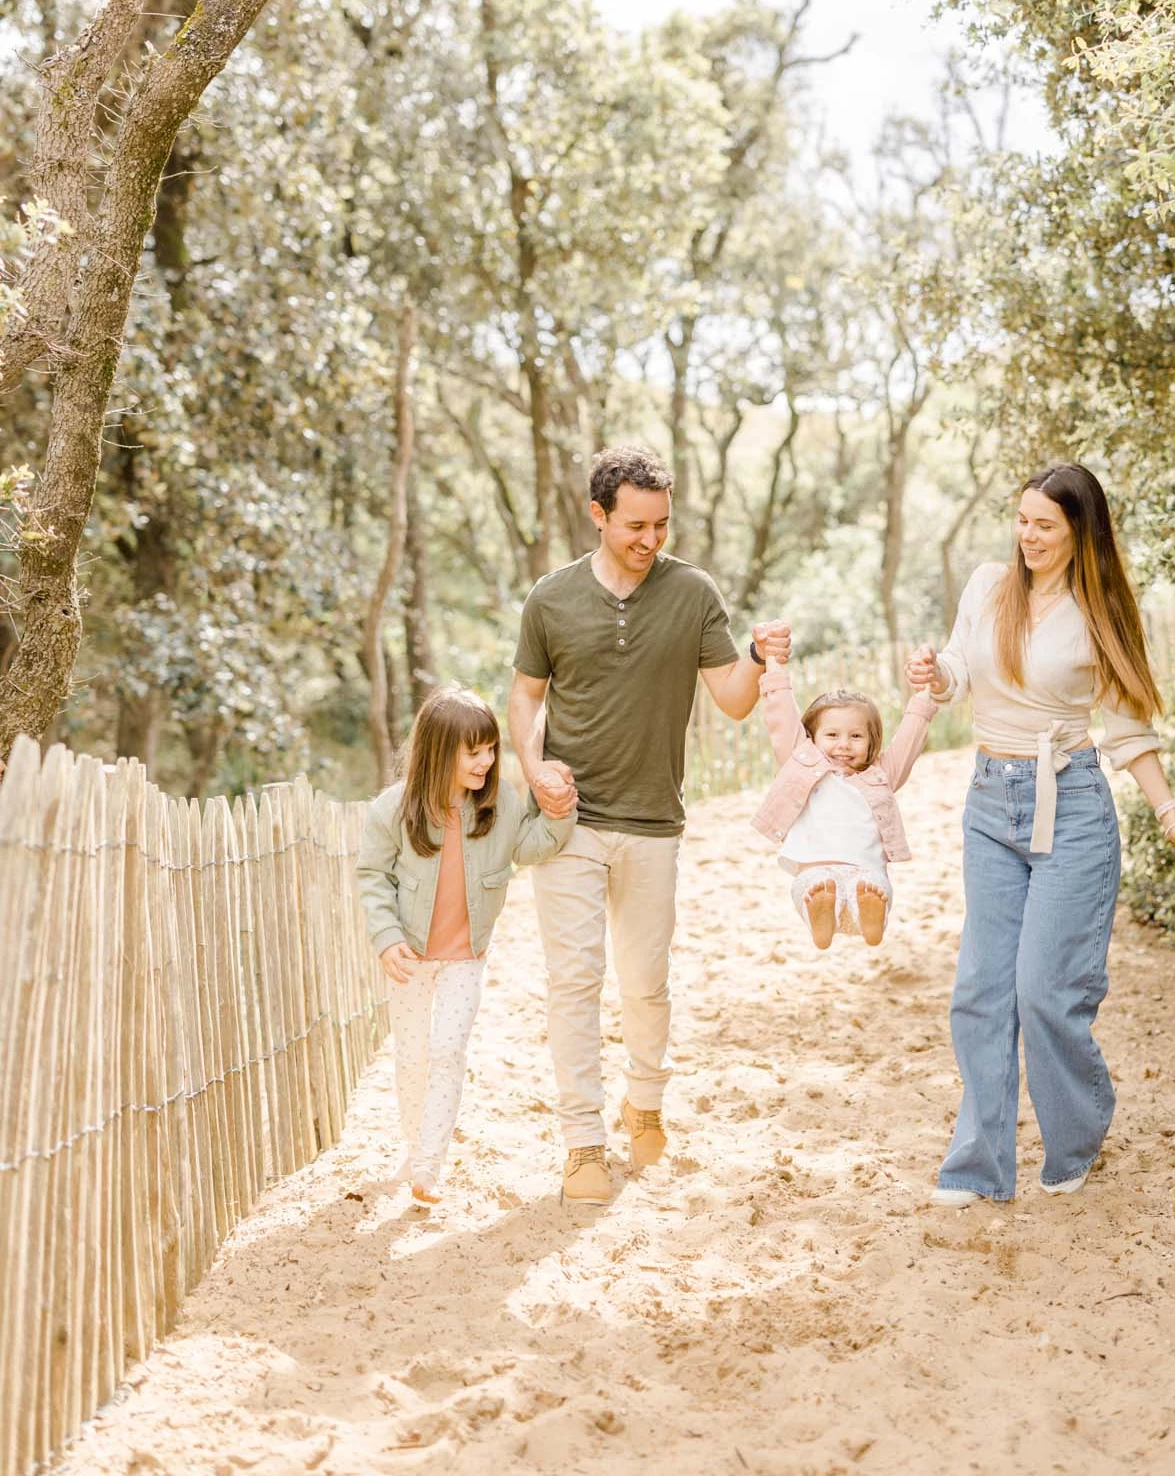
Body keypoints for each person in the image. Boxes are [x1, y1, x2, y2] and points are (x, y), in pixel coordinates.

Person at [906, 462, 1175, 1207]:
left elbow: (1128, 727)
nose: (1027, 536)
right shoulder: (988, 585)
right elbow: (956, 667)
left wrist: (1168, 814)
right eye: (1021, 520)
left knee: (1045, 991)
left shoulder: (1098, 610)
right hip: (989, 801)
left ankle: (1076, 1131)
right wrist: (933, 673)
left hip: (1070, 805)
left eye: (1044, 525)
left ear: (1080, 531)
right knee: (980, 990)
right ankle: (977, 1165)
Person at [508, 442, 789, 1205]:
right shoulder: (551, 598)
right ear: (597, 515)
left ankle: (644, 1104)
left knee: (645, 982)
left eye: (660, 525)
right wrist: (534, 770)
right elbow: (527, 697)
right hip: (568, 823)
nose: (650, 540)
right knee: (572, 982)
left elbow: (731, 698)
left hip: (653, 820)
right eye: (635, 525)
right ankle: (581, 1146)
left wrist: (760, 657)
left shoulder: (692, 593)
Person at [356, 684, 575, 1206]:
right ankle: (415, 1146)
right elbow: (371, 877)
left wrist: (561, 810)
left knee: (448, 1051)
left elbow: (535, 845)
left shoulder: (499, 809)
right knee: (411, 1058)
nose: (487, 761)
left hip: (465, 959)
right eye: (473, 751)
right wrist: (386, 939)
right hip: (410, 958)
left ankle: (429, 1165)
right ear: (438, 752)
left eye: (491, 748)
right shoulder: (393, 809)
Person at [751, 633, 939, 948]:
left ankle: (870, 916)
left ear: (871, 741)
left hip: (864, 872)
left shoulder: (881, 775)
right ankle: (820, 913)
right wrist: (773, 663)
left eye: (855, 736)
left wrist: (924, 695)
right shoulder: (801, 763)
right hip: (816, 871)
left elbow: (908, 742)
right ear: (812, 736)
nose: (843, 745)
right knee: (814, 887)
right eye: (833, 734)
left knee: (873, 887)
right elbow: (781, 715)